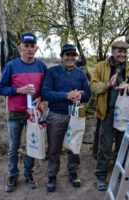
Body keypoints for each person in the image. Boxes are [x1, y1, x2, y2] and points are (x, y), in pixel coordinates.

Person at [0, 33, 47, 192]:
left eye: (32, 46)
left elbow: (46, 89)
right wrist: (19, 90)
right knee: (14, 146)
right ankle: (12, 175)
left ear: (36, 49)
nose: (30, 49)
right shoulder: (11, 66)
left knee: (31, 145)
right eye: (26, 46)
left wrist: (41, 97)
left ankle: (28, 174)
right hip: (15, 113)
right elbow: (1, 89)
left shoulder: (41, 67)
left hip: (33, 113)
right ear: (20, 48)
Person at [90, 41, 129, 191]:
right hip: (108, 112)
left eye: (125, 52)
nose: (122, 54)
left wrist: (128, 87)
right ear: (113, 52)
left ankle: (120, 173)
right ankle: (101, 176)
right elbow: (93, 86)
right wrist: (107, 84)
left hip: (127, 113)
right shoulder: (102, 66)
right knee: (105, 146)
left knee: (123, 145)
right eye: (119, 51)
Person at [41, 44, 91, 192]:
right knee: (54, 148)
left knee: (74, 146)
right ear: (61, 56)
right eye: (67, 55)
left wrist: (80, 97)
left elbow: (87, 95)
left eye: (73, 55)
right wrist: (66, 95)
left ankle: (73, 172)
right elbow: (45, 93)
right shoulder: (52, 72)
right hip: (56, 115)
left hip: (76, 115)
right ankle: (51, 175)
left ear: (76, 58)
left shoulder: (80, 74)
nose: (70, 58)